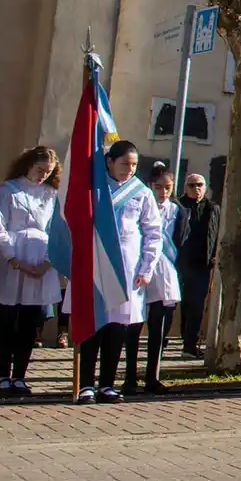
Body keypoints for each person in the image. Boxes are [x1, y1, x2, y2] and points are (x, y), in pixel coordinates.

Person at [70, 140, 161, 405]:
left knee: (117, 328)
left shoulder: (140, 192)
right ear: (110, 161)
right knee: (93, 325)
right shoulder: (94, 188)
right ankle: (86, 383)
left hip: (127, 268)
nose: (129, 170)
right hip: (96, 266)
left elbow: (153, 233)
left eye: (134, 165)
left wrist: (146, 268)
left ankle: (107, 384)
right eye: (124, 164)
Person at [0, 147, 64, 397]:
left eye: (48, 172)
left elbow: (56, 231)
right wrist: (13, 259)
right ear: (29, 165)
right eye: (39, 170)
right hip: (13, 260)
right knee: (6, 321)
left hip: (41, 260)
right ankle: (3, 376)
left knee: (30, 323)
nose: (43, 175)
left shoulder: (52, 194)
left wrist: (45, 262)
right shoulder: (9, 190)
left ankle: (20, 375)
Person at [124, 163, 185, 394]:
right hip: (140, 266)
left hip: (166, 269)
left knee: (159, 325)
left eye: (167, 187)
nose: (163, 192)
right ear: (150, 186)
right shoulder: (140, 203)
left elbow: (182, 241)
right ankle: (130, 376)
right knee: (133, 323)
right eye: (158, 187)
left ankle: (153, 375)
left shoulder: (178, 211)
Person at [174, 173, 216, 359]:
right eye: (191, 185)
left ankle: (189, 344)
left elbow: (216, 233)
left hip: (201, 264)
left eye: (199, 184)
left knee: (197, 305)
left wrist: (215, 256)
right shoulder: (178, 206)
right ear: (185, 187)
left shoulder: (212, 208)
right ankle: (178, 338)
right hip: (179, 262)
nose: (196, 188)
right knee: (176, 303)